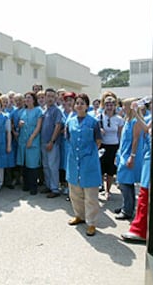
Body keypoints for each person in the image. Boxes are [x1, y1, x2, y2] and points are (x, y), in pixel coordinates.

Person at [66, 93, 102, 236]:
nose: (79, 105)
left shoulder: (93, 122)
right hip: (74, 160)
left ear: (87, 106)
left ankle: (91, 222)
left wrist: (89, 154)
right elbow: (68, 138)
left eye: (82, 103)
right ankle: (79, 216)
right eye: (77, 103)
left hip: (89, 162)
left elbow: (98, 141)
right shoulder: (70, 122)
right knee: (75, 192)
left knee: (90, 195)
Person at [122, 101, 152, 241]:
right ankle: (141, 228)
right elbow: (147, 129)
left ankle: (141, 229)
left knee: (145, 195)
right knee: (143, 195)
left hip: (151, 158)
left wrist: (132, 156)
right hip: (148, 157)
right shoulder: (150, 118)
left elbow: (146, 132)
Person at [114, 98, 144, 220]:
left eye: (124, 106)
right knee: (126, 183)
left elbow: (135, 140)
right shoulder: (128, 120)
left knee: (125, 183)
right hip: (123, 154)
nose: (122, 109)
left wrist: (132, 157)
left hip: (129, 156)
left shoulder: (136, 121)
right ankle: (127, 206)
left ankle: (127, 210)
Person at [98, 95, 124, 199]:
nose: (109, 106)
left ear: (115, 106)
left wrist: (120, 148)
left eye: (112, 104)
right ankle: (99, 188)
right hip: (102, 145)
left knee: (110, 170)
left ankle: (108, 190)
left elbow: (120, 134)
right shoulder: (99, 117)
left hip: (114, 146)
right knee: (100, 168)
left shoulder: (119, 119)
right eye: (107, 104)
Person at [16, 92, 43, 195]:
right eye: (25, 98)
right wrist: (19, 124)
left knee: (33, 164)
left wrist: (31, 138)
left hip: (33, 140)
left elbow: (38, 126)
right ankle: (26, 185)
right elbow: (19, 124)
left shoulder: (38, 111)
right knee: (24, 164)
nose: (26, 100)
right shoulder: (22, 111)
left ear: (33, 99)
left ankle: (33, 187)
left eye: (29, 98)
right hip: (23, 140)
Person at [41, 88, 63, 198]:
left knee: (52, 166)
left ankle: (55, 189)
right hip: (43, 142)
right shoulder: (44, 110)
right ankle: (48, 185)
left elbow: (58, 126)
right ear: (44, 97)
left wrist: (52, 141)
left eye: (52, 96)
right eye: (48, 96)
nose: (49, 98)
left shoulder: (57, 110)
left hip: (52, 143)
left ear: (55, 98)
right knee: (45, 165)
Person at [59, 91, 76, 200]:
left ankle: (73, 192)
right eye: (66, 100)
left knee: (72, 167)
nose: (68, 102)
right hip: (63, 144)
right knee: (64, 166)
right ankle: (66, 187)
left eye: (70, 100)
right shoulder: (64, 112)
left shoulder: (76, 113)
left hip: (72, 145)